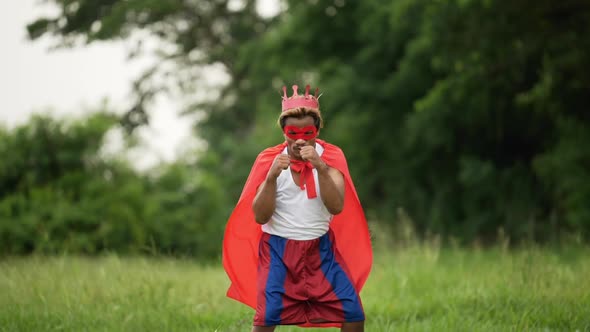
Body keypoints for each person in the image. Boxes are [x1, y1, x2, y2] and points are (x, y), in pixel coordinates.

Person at [222, 85, 372, 332]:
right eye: (293, 132)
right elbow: (260, 216)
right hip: (278, 251)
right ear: (283, 131)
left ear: (318, 130)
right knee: (267, 317)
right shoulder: (268, 159)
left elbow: (336, 205)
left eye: (307, 131)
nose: (300, 139)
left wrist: (320, 167)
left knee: (353, 312)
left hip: (321, 250)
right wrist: (270, 177)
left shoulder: (331, 157)